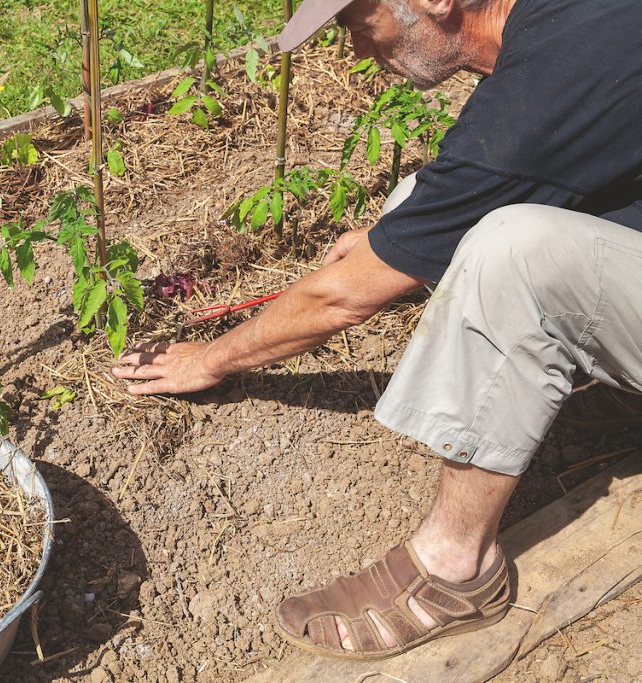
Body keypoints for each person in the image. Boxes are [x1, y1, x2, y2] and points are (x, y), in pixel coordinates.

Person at [112, 0, 642, 661]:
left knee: (513, 250)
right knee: (418, 210)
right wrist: (399, 238)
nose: (355, 52)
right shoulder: (565, 27)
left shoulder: (568, 63)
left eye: (354, 23)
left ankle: (456, 569)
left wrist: (213, 359)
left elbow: (341, 299)